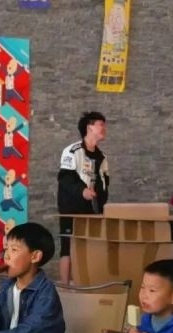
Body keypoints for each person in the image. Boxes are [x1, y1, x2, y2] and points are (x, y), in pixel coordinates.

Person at [57, 111, 109, 284]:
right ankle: (65, 285)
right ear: (89, 127)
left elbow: (105, 182)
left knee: (90, 246)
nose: (104, 128)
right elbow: (65, 177)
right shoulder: (72, 151)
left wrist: (101, 203)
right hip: (71, 209)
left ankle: (86, 282)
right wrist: (82, 191)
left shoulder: (103, 157)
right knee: (67, 246)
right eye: (100, 124)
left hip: (92, 210)